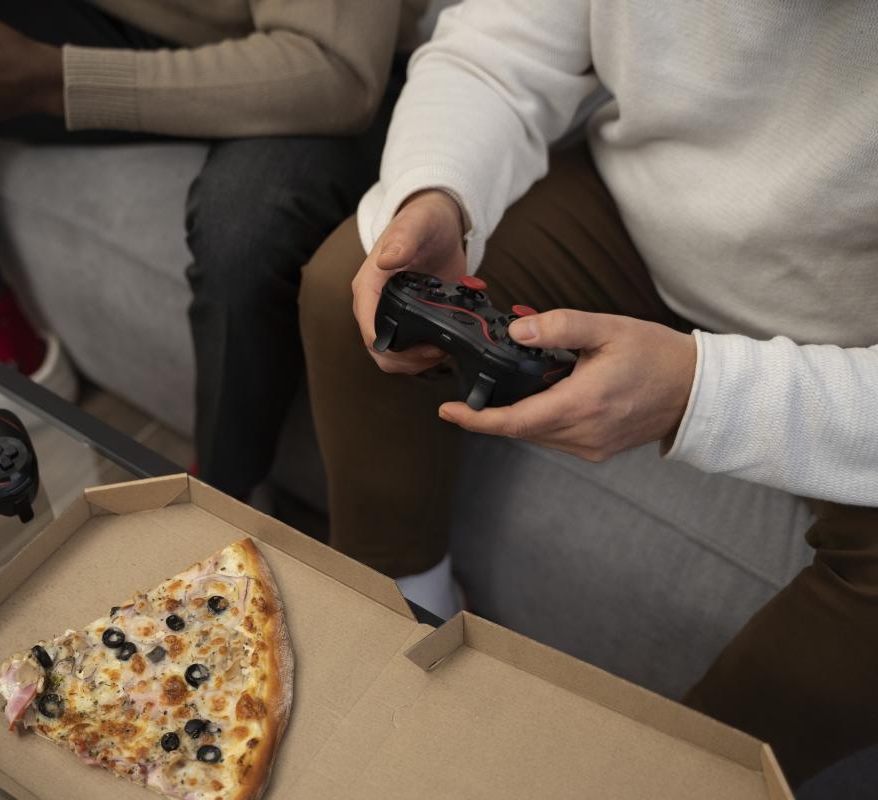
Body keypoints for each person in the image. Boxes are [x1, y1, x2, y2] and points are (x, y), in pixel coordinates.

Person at [298, 0, 877, 787]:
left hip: (853, 334)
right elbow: (500, 43)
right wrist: (437, 194)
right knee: (355, 286)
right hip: (640, 218)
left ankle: (669, 777)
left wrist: (701, 393)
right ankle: (408, 614)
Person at [0, 0, 425, 493]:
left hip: (320, 61)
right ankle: (11, 362)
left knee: (246, 227)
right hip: (118, 20)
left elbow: (337, 74)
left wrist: (54, 81)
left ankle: (226, 495)